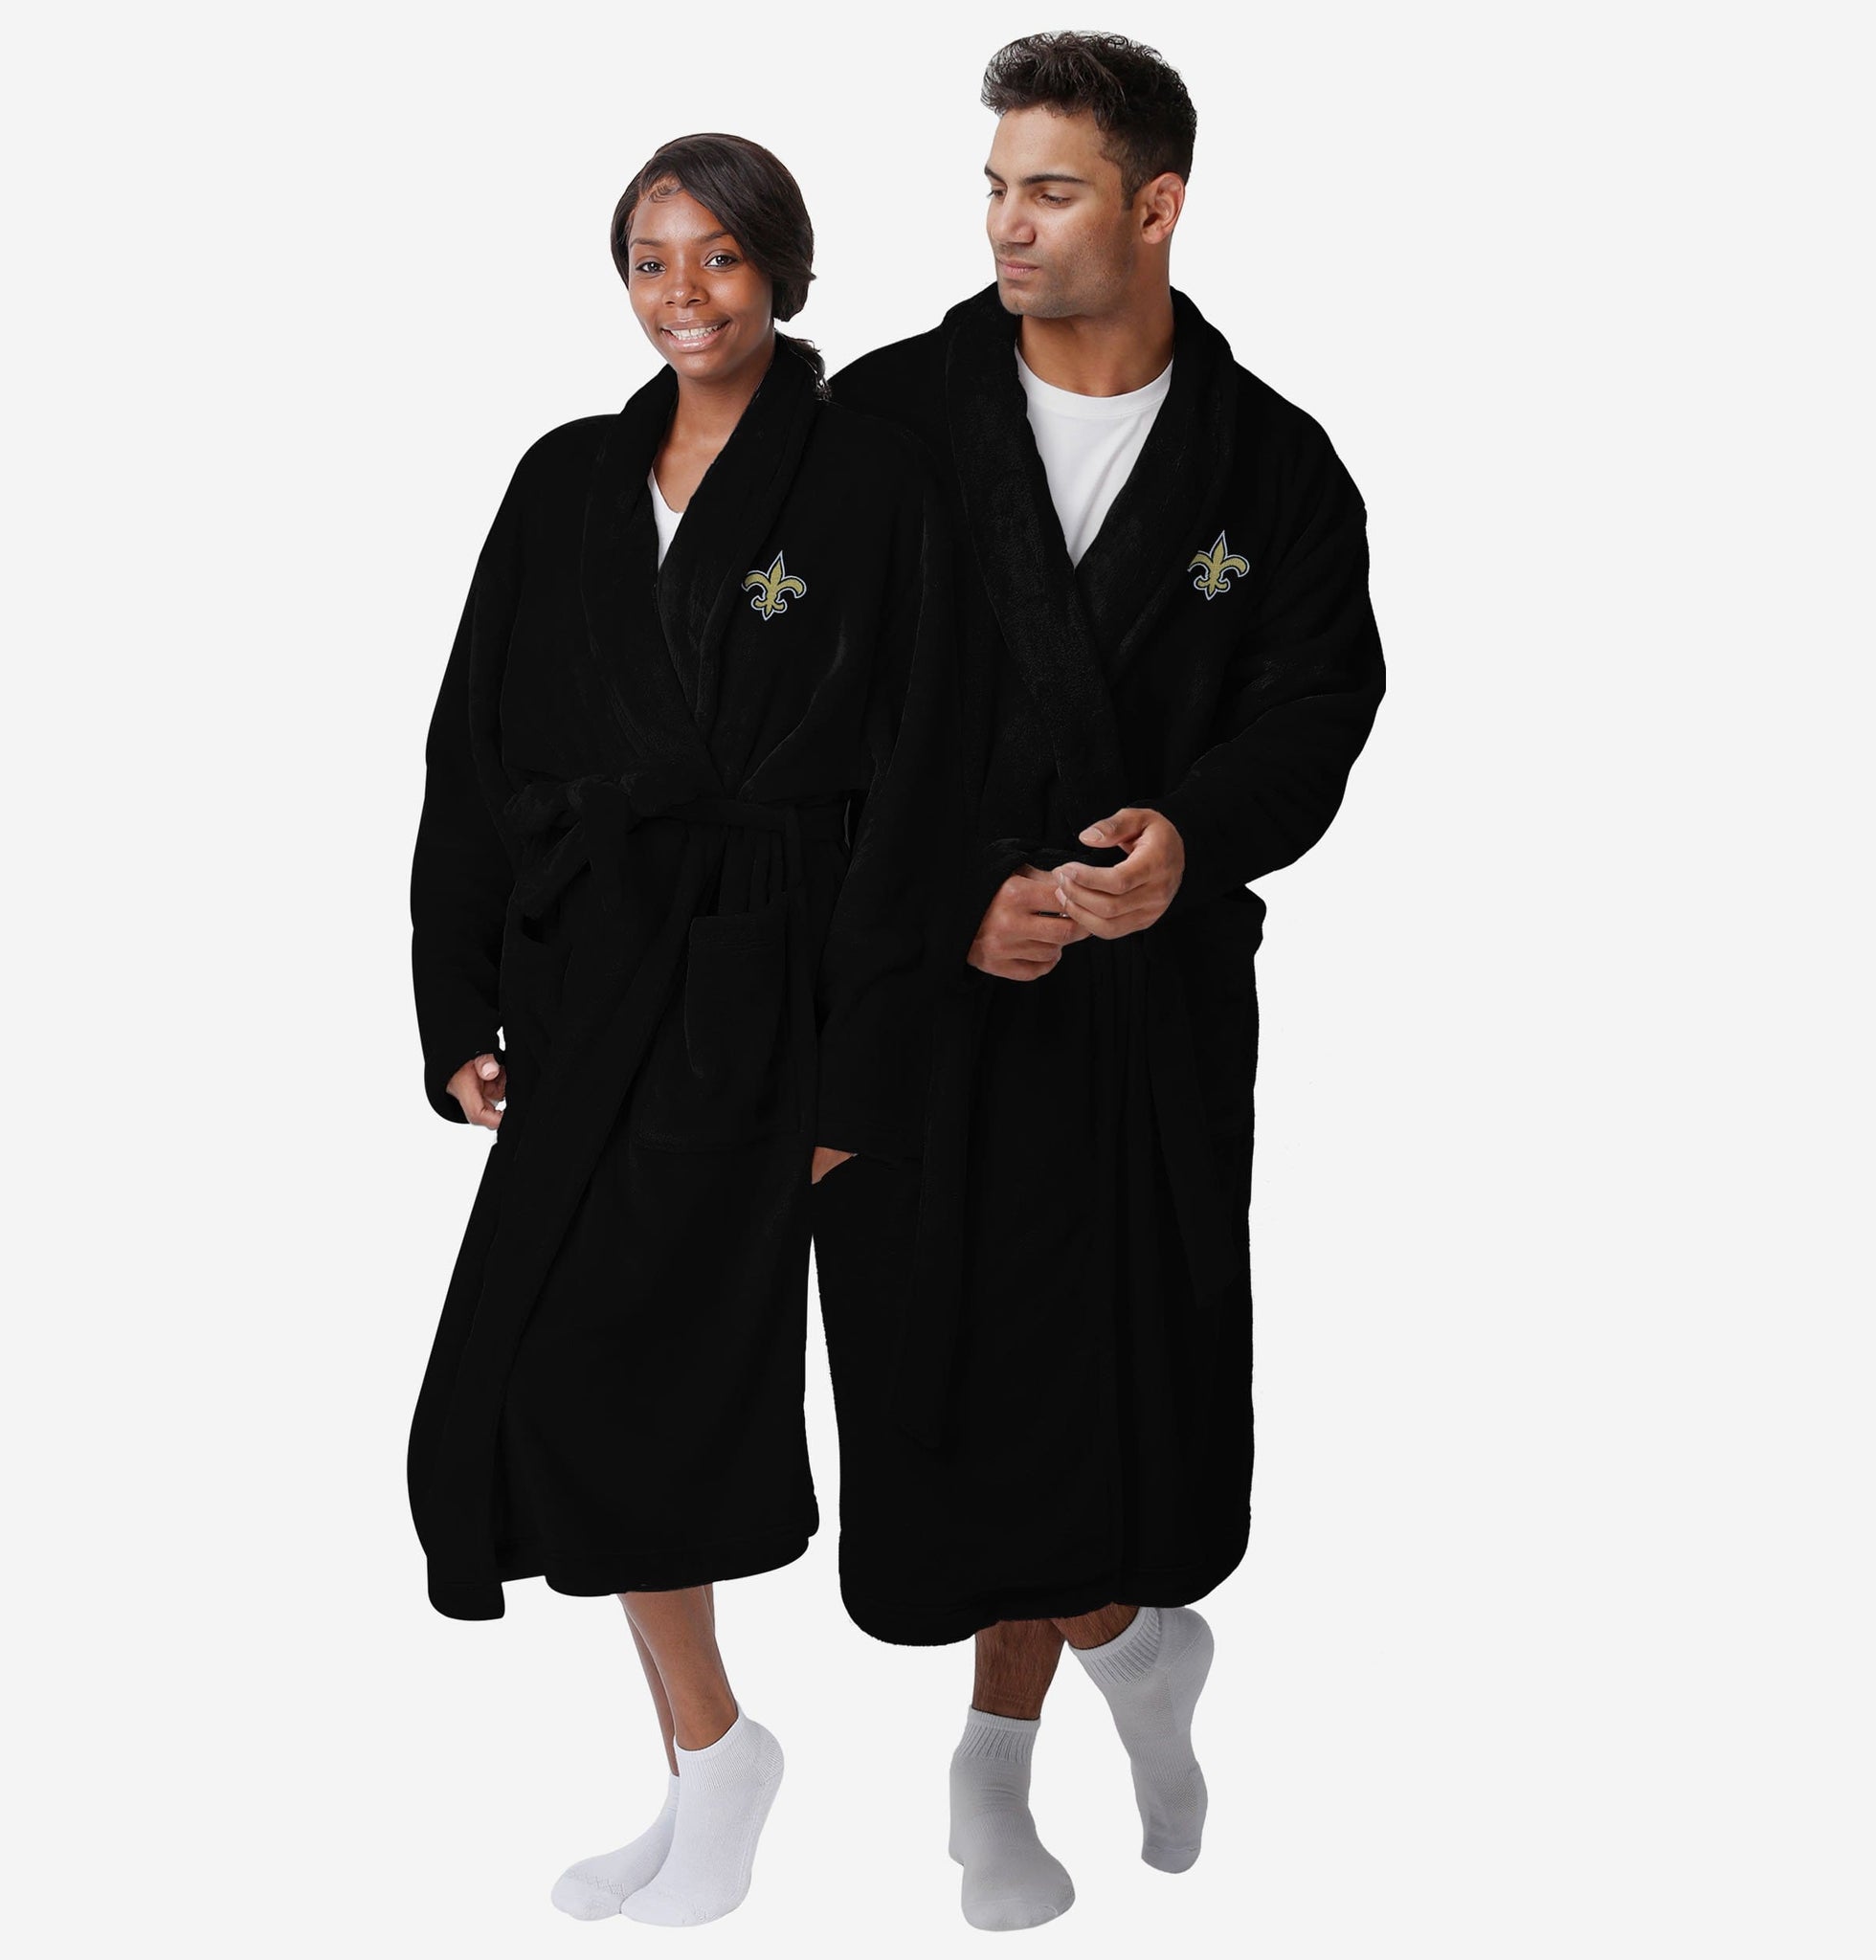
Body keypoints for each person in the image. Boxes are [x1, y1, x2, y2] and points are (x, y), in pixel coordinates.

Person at [812, 33, 1386, 1929]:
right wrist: (952, 892)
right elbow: (789, 721)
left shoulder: (1272, 463)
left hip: (1148, 1017)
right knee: (944, 1377)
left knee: (1109, 1388)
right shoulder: (878, 428)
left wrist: (1192, 837)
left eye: (1050, 191)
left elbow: (1320, 703)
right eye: (994, 187)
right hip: (917, 1004)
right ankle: (1125, 1661)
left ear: (1157, 205)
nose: (1007, 224)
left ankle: (994, 1766)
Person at [406, 131, 961, 1928]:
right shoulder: (567, 474)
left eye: (717, 258)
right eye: (652, 261)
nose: (684, 295)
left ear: (781, 269)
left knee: (649, 1390)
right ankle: (706, 1764)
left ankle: (721, 1764)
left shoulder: (870, 480)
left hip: (765, 990)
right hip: (587, 981)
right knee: (555, 1377)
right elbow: (472, 744)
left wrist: (859, 1064)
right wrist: (456, 994)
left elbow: (921, 786)